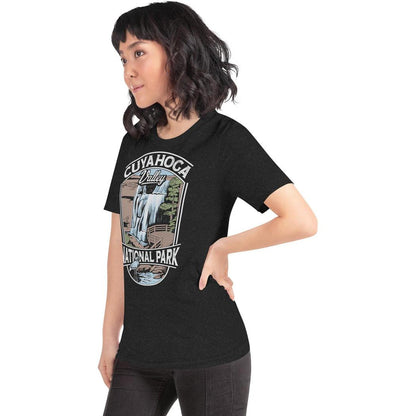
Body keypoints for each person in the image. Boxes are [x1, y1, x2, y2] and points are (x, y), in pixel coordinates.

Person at [99, 2, 318, 415]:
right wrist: (111, 337)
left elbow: (301, 220)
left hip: (210, 347)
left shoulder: (224, 139)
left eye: (139, 53)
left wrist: (223, 247)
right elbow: (119, 245)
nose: (128, 71)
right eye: (123, 58)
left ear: (176, 50)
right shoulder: (134, 143)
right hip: (140, 350)